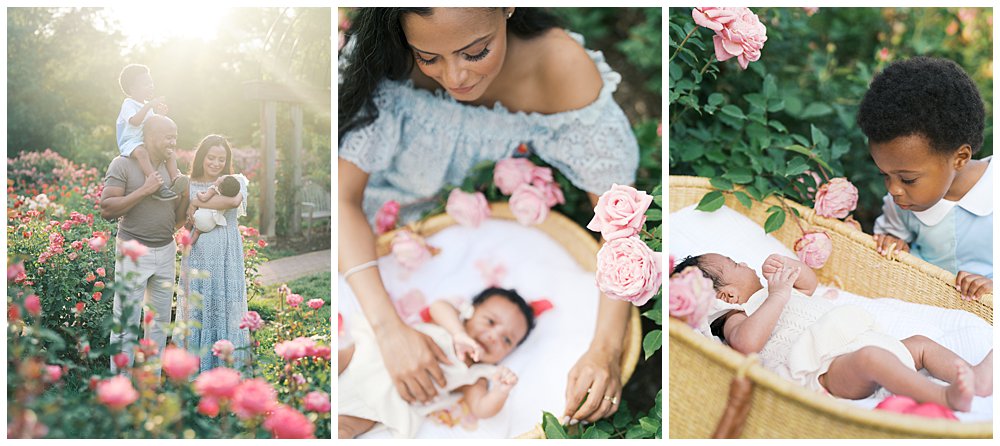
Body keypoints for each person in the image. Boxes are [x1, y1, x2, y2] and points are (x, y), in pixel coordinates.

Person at [339, 7, 639, 425]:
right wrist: (390, 333)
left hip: (447, 235)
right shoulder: (383, 50)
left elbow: (619, 222)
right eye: (428, 58)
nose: (455, 77)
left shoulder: (559, 68)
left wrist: (603, 350)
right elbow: (342, 199)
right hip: (356, 242)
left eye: (475, 52)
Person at [673, 253, 993, 412]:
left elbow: (809, 285)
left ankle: (974, 377)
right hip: (825, 369)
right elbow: (747, 343)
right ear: (726, 296)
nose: (745, 262)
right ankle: (942, 397)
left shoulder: (777, 289)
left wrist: (790, 266)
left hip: (858, 339)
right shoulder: (736, 316)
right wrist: (777, 294)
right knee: (872, 359)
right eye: (735, 265)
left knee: (920, 344)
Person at [857, 57, 992, 301]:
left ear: (960, 158)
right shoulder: (902, 204)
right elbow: (891, 245)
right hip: (923, 308)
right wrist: (892, 243)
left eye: (907, 179)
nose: (894, 190)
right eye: (885, 175)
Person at [338, 287, 533, 438]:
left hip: (389, 399)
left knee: (344, 429)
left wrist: (500, 391)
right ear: (470, 311)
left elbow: (481, 408)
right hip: (374, 354)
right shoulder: (450, 324)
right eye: (490, 321)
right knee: (336, 358)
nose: (493, 336)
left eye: (507, 340)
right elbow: (438, 306)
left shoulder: (477, 373)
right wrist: (458, 333)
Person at [100, 115, 189, 371]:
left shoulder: (173, 170)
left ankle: (151, 385)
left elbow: (178, 215)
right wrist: (144, 190)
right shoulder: (123, 164)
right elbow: (107, 209)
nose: (173, 141)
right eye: (168, 136)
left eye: (175, 135)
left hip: (166, 250)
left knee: (159, 323)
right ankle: (121, 388)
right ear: (149, 136)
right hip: (133, 251)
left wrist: (186, 196)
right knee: (125, 323)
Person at [178, 134, 250, 373]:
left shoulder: (235, 180)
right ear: (202, 157)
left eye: (221, 158)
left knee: (225, 305)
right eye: (211, 157)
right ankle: (198, 367)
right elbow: (182, 219)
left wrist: (196, 204)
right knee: (200, 306)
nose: (216, 163)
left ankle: (226, 366)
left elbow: (232, 202)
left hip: (227, 254)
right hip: (198, 255)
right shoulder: (188, 183)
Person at [116, 64, 179, 201]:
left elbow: (153, 125)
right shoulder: (129, 104)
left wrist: (160, 115)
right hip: (130, 142)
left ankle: (175, 179)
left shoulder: (146, 105)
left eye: (151, 83)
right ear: (133, 88)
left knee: (169, 152)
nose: (151, 86)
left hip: (144, 141)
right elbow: (135, 121)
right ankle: (156, 184)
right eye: (146, 84)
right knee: (141, 153)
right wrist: (149, 105)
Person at [188, 174, 242, 246]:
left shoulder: (213, 190)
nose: (218, 177)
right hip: (211, 224)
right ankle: (190, 243)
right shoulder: (228, 195)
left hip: (203, 217)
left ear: (220, 188)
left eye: (220, 178)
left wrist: (198, 193)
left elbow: (203, 198)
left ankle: (186, 244)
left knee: (190, 224)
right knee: (197, 232)